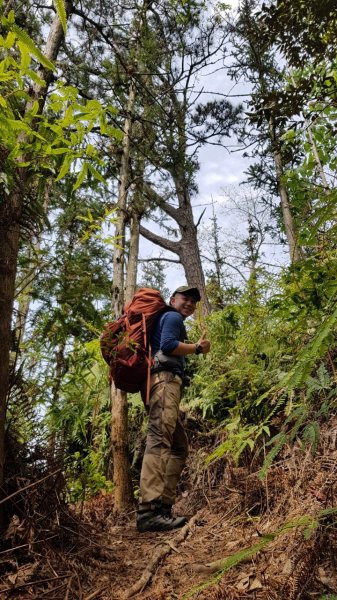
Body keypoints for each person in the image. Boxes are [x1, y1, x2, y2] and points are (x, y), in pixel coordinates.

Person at [137, 285, 211, 533]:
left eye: (193, 301)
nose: (189, 304)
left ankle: (162, 507)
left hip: (163, 385)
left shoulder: (170, 318)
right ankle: (148, 511)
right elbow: (168, 345)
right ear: (172, 300)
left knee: (179, 447)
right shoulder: (171, 316)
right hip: (164, 382)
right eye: (185, 299)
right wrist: (197, 348)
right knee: (159, 440)